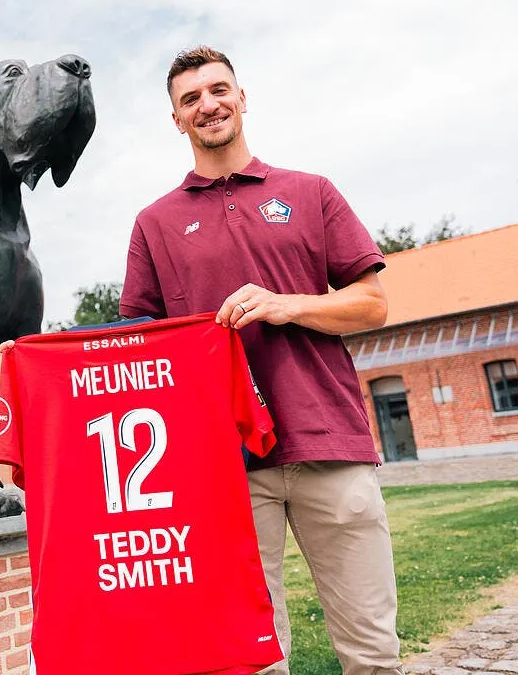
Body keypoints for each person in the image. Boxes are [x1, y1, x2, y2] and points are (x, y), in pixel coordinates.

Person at [117, 46, 402, 675]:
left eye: (219, 91)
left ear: (242, 99)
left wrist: (285, 305)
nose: (208, 105)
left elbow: (371, 305)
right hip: (222, 464)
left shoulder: (310, 191)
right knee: (251, 659)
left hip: (330, 443)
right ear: (176, 120)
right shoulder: (153, 223)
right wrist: (36, 357)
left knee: (373, 651)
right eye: (191, 99)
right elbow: (132, 345)